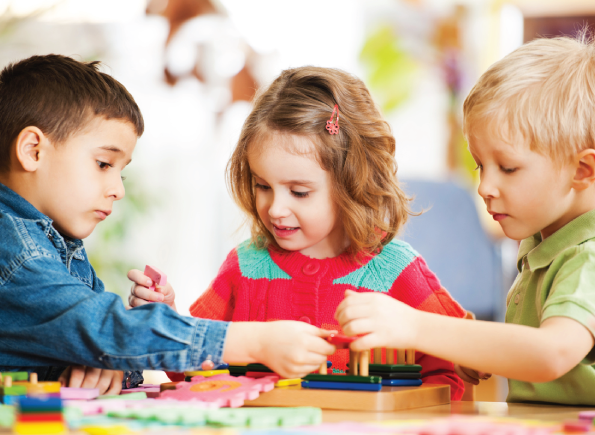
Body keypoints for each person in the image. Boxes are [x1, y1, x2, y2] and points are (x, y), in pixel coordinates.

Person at [0, 54, 336, 395]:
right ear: (33, 151)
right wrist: (255, 342)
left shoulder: (56, 246)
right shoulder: (10, 256)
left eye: (121, 171)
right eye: (104, 164)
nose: (117, 190)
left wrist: (107, 360)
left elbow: (107, 347)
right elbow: (106, 331)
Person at [335, 32, 595, 407]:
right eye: (481, 166)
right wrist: (475, 351)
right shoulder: (543, 251)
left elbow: (552, 353)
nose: (485, 187)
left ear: (581, 170)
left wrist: (415, 326)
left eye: (508, 168)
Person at [128, 66, 467, 399]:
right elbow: (194, 366)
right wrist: (168, 317)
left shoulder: (397, 271)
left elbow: (449, 376)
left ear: (352, 181)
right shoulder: (245, 266)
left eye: (299, 192)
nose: (275, 209)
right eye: (263, 186)